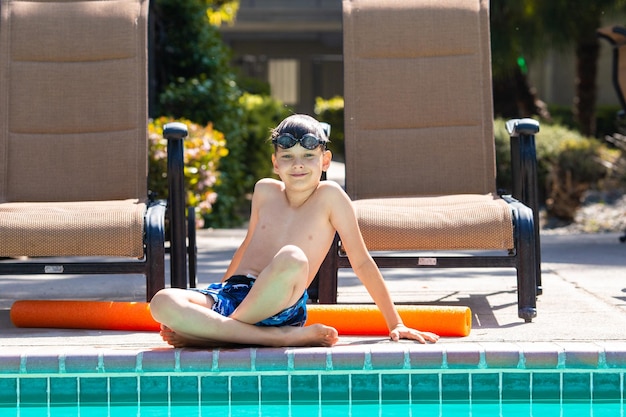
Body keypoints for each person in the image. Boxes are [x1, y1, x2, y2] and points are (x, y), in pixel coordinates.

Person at [150, 114, 439, 348]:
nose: (297, 164)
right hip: (236, 295)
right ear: (275, 164)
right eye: (287, 157)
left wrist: (396, 323)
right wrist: (220, 295)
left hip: (280, 303)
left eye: (308, 156)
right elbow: (247, 247)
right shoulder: (264, 190)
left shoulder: (331, 197)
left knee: (292, 257)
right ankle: (261, 338)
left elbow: (361, 261)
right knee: (162, 301)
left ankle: (212, 334)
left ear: (325, 161)